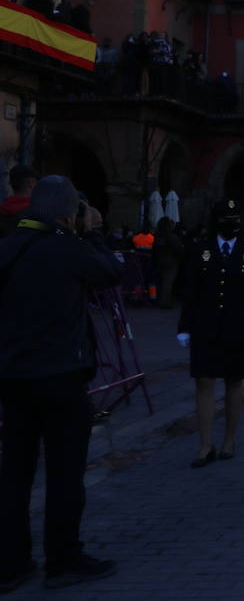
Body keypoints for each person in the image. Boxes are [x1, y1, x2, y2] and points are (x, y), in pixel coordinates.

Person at [0, 178, 121, 591]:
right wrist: (95, 233)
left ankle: (12, 561)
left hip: (14, 378)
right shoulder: (68, 249)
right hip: (61, 377)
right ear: (69, 213)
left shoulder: (7, 247)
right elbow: (111, 272)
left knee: (14, 474)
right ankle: (63, 557)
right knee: (65, 472)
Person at [177, 200, 244, 468]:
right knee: (204, 382)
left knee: (234, 382)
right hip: (205, 324)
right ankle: (205, 446)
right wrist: (184, 326)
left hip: (236, 325)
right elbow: (190, 290)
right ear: (216, 221)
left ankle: (229, 440)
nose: (232, 223)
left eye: (235, 218)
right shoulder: (200, 249)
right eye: (227, 218)